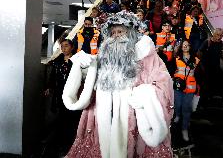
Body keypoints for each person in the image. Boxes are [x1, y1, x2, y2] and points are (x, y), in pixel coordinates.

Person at [62, 11, 174, 158]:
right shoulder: (102, 58)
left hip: (132, 118)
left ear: (131, 34)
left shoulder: (146, 57)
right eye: (113, 32)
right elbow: (88, 85)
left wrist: (146, 94)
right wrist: (83, 69)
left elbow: (163, 82)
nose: (116, 35)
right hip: (100, 115)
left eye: (120, 31)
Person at [44, 39, 81, 156]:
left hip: (72, 92)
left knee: (71, 117)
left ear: (72, 47)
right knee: (60, 116)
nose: (64, 48)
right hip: (60, 92)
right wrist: (49, 87)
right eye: (62, 46)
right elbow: (53, 77)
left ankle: (70, 142)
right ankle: (59, 142)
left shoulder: (77, 60)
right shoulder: (57, 62)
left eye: (66, 46)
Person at [172, 40, 199, 142]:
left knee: (186, 108)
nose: (185, 47)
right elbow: (171, 69)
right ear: (181, 47)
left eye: (187, 45)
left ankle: (184, 129)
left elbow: (199, 74)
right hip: (179, 87)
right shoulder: (176, 58)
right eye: (183, 45)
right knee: (178, 105)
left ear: (190, 47)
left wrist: (199, 87)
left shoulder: (196, 60)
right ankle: (178, 115)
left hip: (190, 87)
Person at [197, 28, 223, 108]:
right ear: (213, 34)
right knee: (204, 84)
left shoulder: (220, 43)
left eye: (221, 35)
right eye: (217, 35)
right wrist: (203, 62)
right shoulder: (207, 42)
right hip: (206, 67)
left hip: (215, 67)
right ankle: (202, 103)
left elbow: (221, 53)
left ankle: (210, 100)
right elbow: (199, 53)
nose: (219, 37)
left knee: (212, 83)